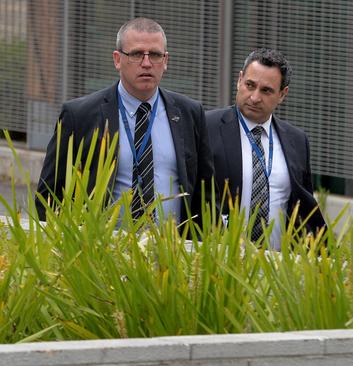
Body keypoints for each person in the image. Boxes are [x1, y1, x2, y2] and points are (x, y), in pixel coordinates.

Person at [36, 17, 214, 225]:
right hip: (101, 251)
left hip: (172, 252)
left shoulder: (189, 113)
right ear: (117, 59)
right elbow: (49, 195)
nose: (146, 63)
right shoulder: (80, 115)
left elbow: (206, 196)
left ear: (165, 61)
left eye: (155, 55)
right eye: (137, 54)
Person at [206, 48, 325, 249]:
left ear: (282, 94)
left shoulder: (297, 141)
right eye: (249, 85)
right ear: (239, 80)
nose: (254, 97)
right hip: (220, 260)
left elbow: (303, 208)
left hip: (276, 267)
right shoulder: (207, 127)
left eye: (266, 90)